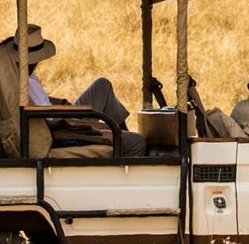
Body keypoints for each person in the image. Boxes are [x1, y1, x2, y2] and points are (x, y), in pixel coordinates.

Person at [10, 24, 148, 157]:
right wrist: (75, 118)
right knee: (138, 142)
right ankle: (121, 142)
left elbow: (41, 104)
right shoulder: (24, 82)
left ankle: (122, 134)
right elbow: (47, 118)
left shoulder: (24, 75)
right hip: (63, 128)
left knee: (102, 85)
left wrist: (62, 103)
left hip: (62, 118)